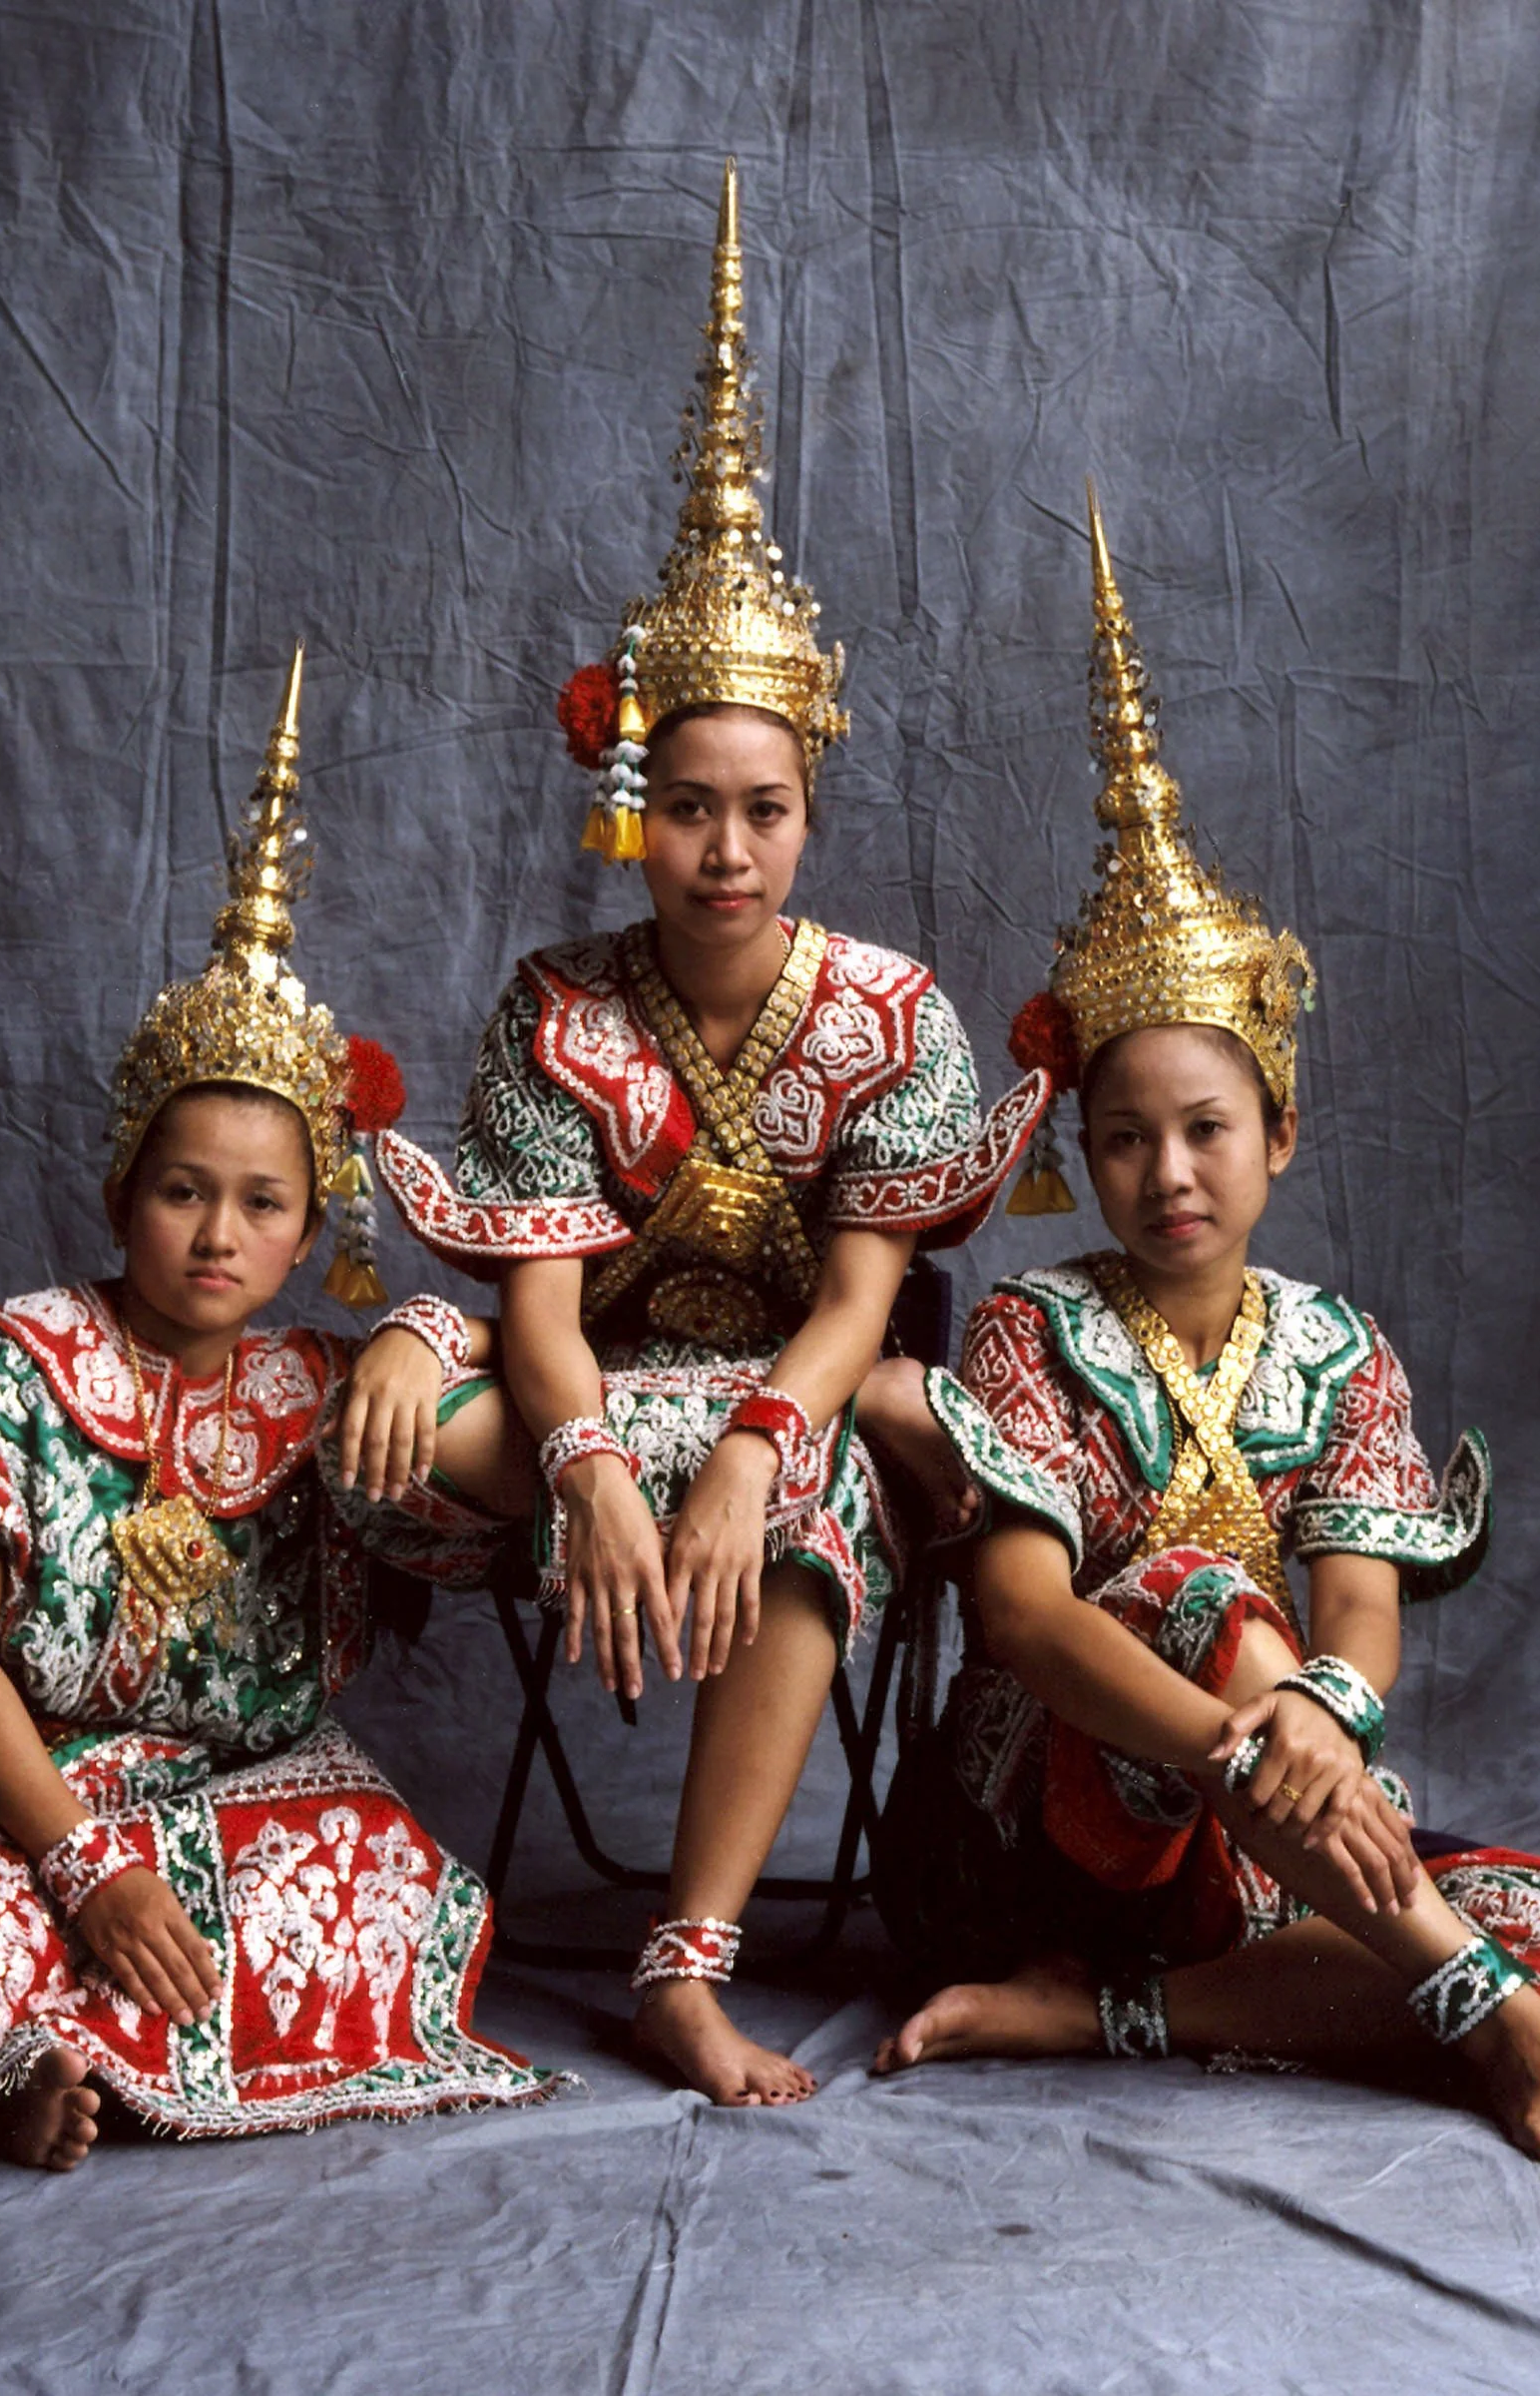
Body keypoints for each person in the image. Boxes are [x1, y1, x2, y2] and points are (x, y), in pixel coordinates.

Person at [354, 162, 1047, 2109]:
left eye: (758, 808)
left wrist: (747, 1451)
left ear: (805, 807)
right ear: (626, 803)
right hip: (598, 1402)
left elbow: (860, 1298)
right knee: (383, 1426)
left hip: (798, 1416)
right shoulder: (555, 1003)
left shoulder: (889, 1010)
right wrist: (579, 1464)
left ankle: (685, 1960)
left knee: (821, 1496)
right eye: (683, 807)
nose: (720, 850)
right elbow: (546, 1301)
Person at [867, 492, 1540, 2169]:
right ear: (1083, 1159)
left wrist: (1318, 1724)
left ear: (1279, 1131)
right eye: (1124, 1140)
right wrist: (1255, 1735)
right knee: (1203, 1594)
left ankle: (1094, 2019)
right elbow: (1020, 1619)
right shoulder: (1034, 1323)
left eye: (1208, 1130)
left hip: (1256, 1836)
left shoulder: (1338, 1348)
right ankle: (1490, 2023)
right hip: (1031, 1824)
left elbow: (1360, 1616)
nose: (1167, 1173)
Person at [0, 654, 557, 2167]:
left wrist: (418, 1325)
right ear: (123, 1194)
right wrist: (84, 1870)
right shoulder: (8, 1370)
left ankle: (101, 2051)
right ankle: (31, 2073)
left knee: (371, 1873)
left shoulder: (314, 1392)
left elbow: (509, 1461)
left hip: (205, 1800)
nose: (217, 1235)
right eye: (184, 1191)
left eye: (264, 1205)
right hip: (1, 1794)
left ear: (313, 1230)